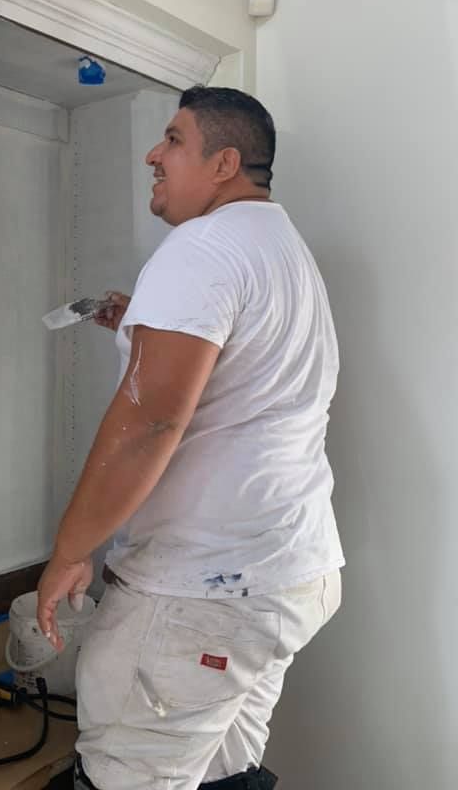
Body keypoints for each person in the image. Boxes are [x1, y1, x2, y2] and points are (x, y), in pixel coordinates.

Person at [37, 87, 344, 790]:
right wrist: (144, 325)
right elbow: (246, 374)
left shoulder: (200, 248)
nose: (153, 153)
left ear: (225, 162)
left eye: (173, 140)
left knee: (128, 776)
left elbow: (151, 420)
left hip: (201, 596)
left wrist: (69, 550)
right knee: (225, 773)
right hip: (291, 573)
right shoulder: (282, 248)